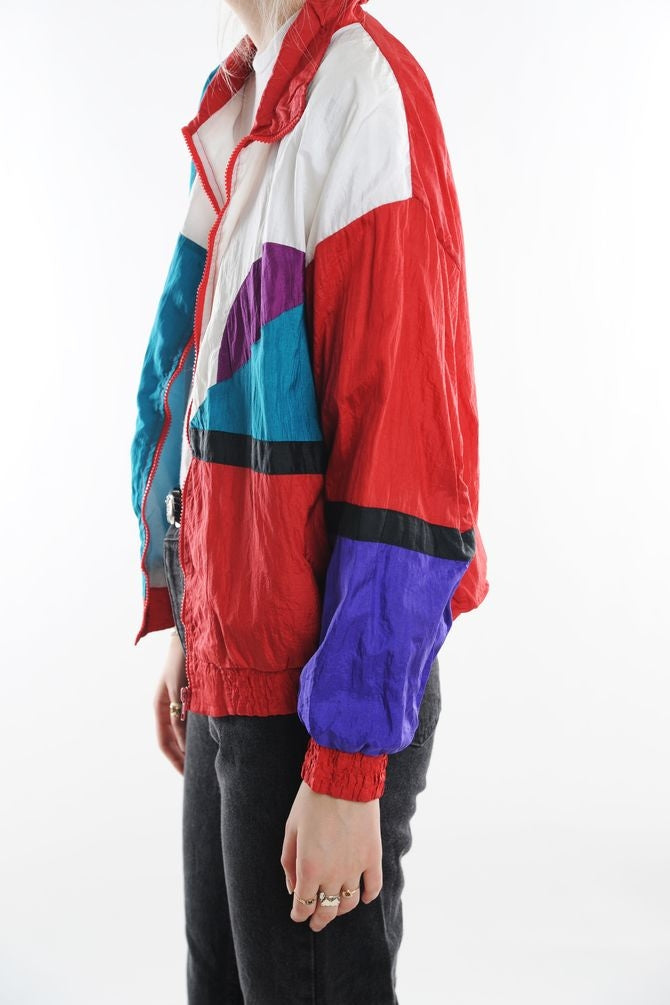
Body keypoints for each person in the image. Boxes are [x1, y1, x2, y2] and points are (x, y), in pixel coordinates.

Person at [130, 0, 489, 1000]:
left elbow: (408, 461)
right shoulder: (246, 97)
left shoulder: (361, 94)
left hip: (321, 693)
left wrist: (345, 763)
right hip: (235, 663)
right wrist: (190, 621)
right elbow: (211, 393)